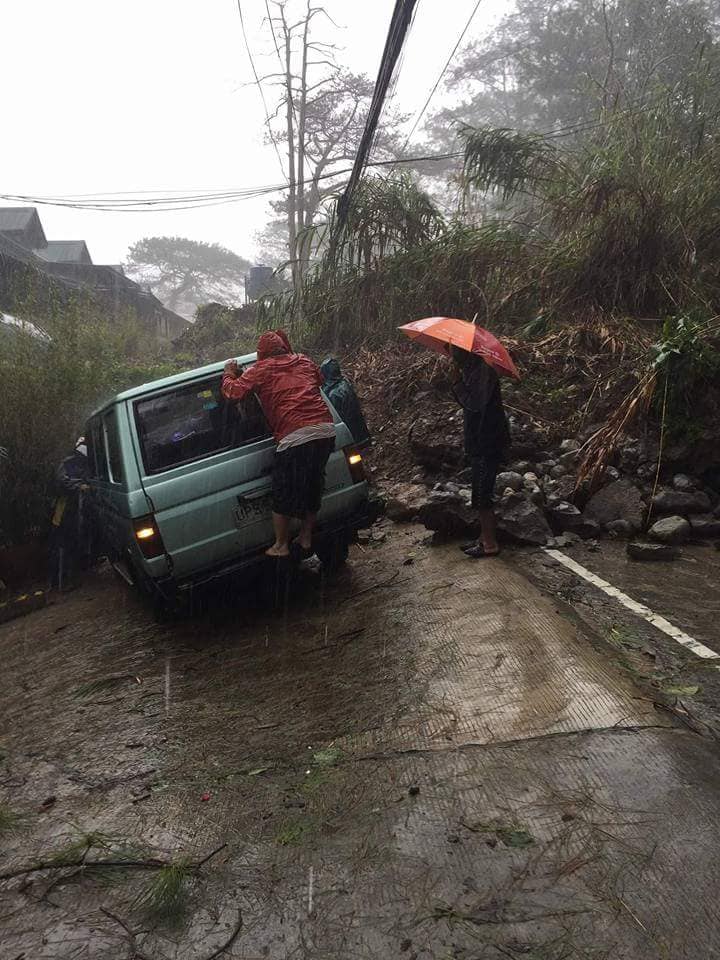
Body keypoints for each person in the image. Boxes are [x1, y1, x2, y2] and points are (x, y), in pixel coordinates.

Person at [222, 332, 335, 559]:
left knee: (283, 492)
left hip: (294, 436)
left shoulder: (260, 369)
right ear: (285, 347)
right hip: (325, 429)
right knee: (314, 484)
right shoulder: (303, 360)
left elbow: (232, 392)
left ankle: (281, 545)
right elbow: (318, 381)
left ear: (261, 354)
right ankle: (305, 537)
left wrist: (228, 374)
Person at [451, 346, 510, 559]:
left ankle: (490, 544)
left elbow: (474, 404)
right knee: (478, 491)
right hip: (480, 440)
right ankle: (484, 537)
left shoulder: (483, 371)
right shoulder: (473, 369)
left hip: (488, 440)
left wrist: (457, 383)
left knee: (483, 493)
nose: (451, 356)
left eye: (453, 351)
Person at [49, 437, 92, 589]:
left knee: (75, 542)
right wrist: (79, 487)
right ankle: (59, 582)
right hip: (64, 509)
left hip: (78, 510)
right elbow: (62, 482)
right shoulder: (67, 463)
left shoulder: (86, 463)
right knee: (62, 545)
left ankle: (73, 576)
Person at [320, 357, 371, 449]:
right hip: (360, 432)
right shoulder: (344, 383)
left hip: (350, 435)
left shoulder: (333, 393)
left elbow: (336, 417)